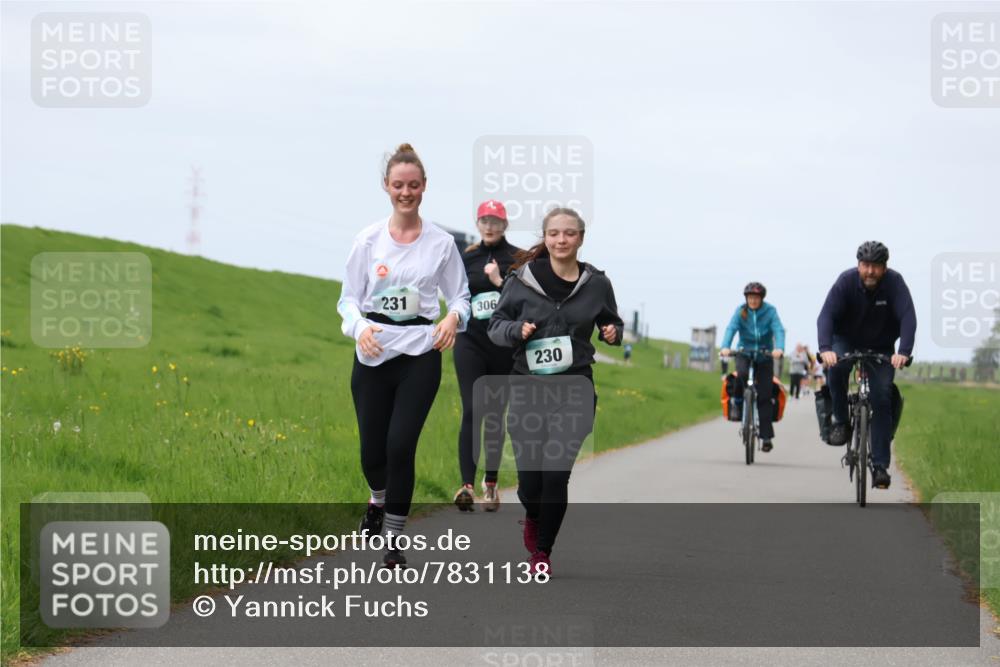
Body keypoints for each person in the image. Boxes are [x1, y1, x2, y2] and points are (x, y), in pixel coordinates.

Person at [337, 143, 471, 568]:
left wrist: (452, 319)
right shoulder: (368, 239)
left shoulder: (442, 244)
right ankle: (377, 500)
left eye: (413, 185)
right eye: (398, 185)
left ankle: (393, 538)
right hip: (374, 351)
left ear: (424, 187)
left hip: (420, 352)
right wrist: (359, 328)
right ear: (386, 187)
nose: (406, 192)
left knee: (400, 446)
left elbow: (462, 297)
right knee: (371, 454)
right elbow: (347, 300)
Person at [488, 207, 623, 575]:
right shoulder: (521, 281)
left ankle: (542, 553)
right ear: (545, 238)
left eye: (569, 234)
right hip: (528, 388)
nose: (561, 240)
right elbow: (496, 326)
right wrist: (517, 331)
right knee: (530, 481)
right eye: (554, 234)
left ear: (580, 238)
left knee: (555, 473)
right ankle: (533, 514)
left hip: (574, 389)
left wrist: (612, 331)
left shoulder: (596, 283)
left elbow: (611, 319)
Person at [817, 241, 915, 490]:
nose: (870, 271)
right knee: (836, 370)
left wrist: (903, 352)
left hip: (881, 346)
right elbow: (826, 315)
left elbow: (908, 317)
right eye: (865, 265)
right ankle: (840, 421)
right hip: (845, 340)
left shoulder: (895, 284)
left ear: (884, 268)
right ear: (859, 265)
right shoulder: (846, 282)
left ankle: (880, 466)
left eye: (876, 266)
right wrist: (826, 349)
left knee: (881, 397)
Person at [453, 199, 522, 513]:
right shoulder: (467, 257)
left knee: (495, 415)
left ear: (505, 225)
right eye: (485, 221)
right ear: (477, 224)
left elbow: (525, 300)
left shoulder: (518, 259)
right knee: (472, 409)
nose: (490, 226)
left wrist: (499, 281)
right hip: (471, 342)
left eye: (496, 221)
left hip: (503, 347)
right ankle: (466, 485)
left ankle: (490, 483)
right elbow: (456, 294)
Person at [719, 282, 786, 452]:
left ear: (761, 299)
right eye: (750, 298)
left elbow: (778, 329)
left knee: (764, 395)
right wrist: (725, 346)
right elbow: (731, 328)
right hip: (744, 352)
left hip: (765, 356)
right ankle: (740, 401)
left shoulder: (770, 311)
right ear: (746, 298)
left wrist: (779, 348)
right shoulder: (741, 311)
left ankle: (766, 437)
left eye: (756, 298)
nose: (753, 301)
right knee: (741, 374)